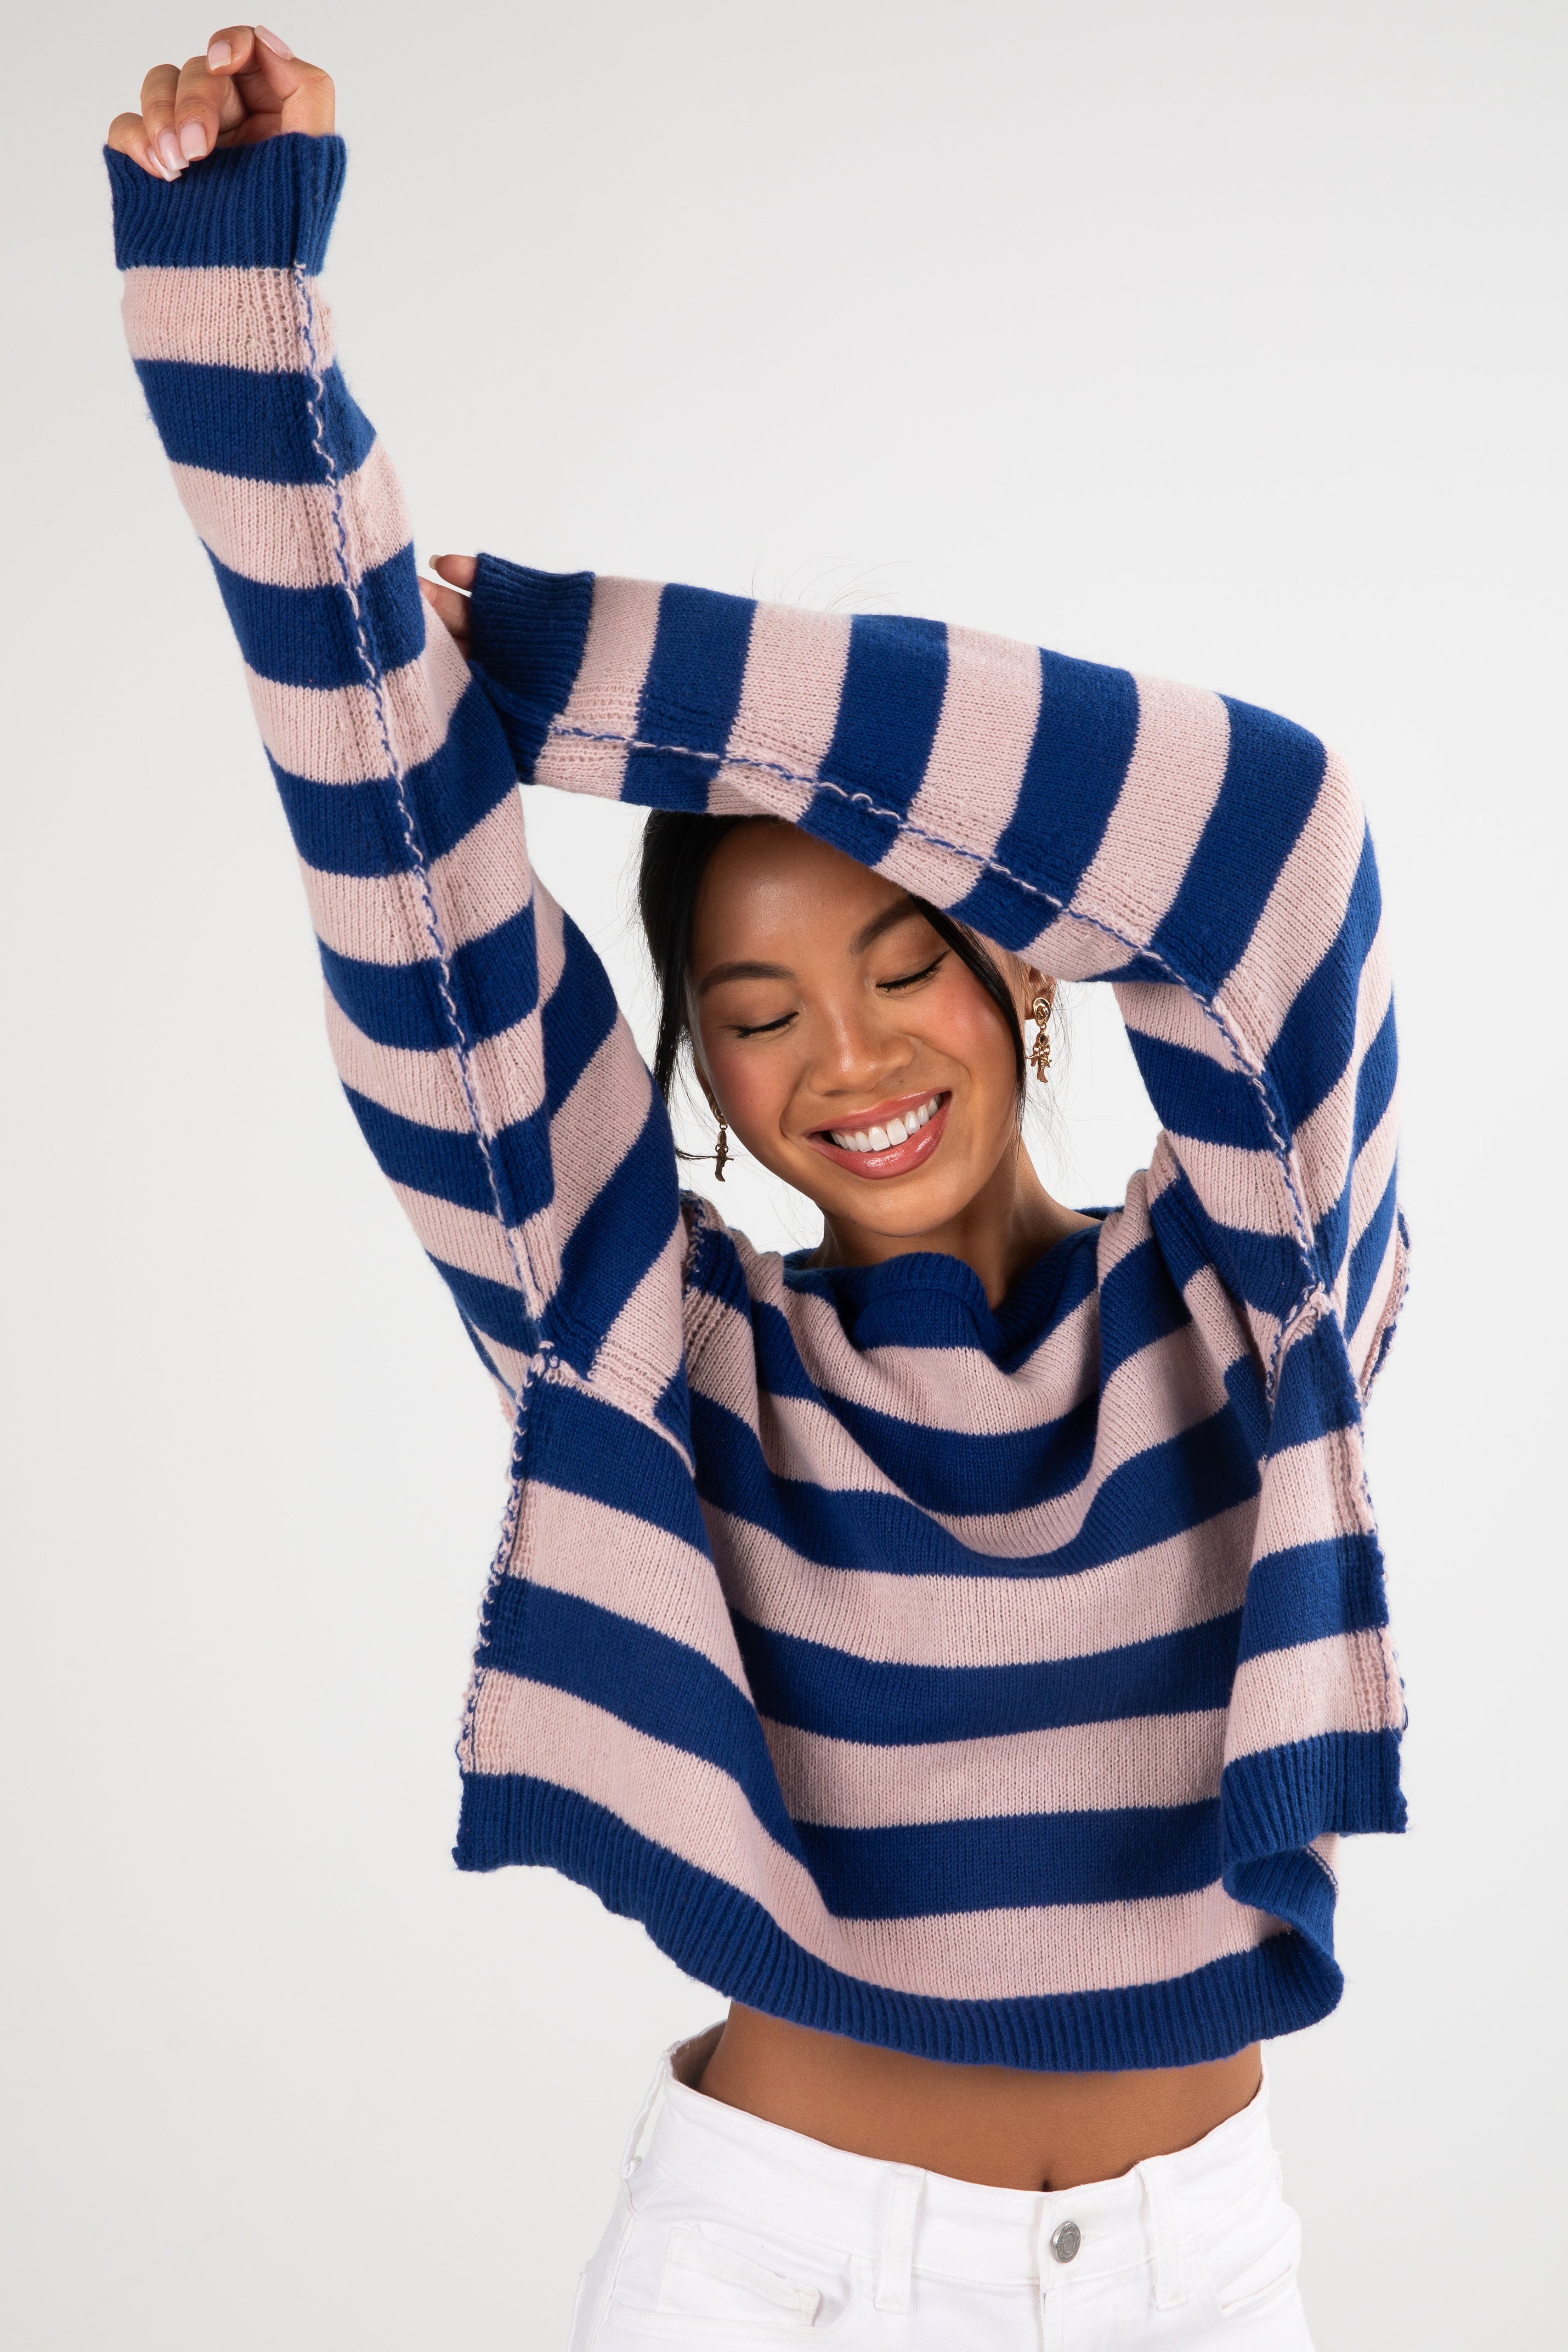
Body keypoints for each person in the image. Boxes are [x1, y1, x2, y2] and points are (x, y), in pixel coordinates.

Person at [106, 29, 1408, 2347]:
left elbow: (1271, 838)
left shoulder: (1248, 1304)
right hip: (784, 2276)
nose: (848, 1055)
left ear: (1023, 979)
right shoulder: (654, 1336)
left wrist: (590, 667)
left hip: (1202, 2275)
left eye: (903, 964)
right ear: (691, 1057)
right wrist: (247, 326)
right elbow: (411, 891)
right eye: (757, 1006)